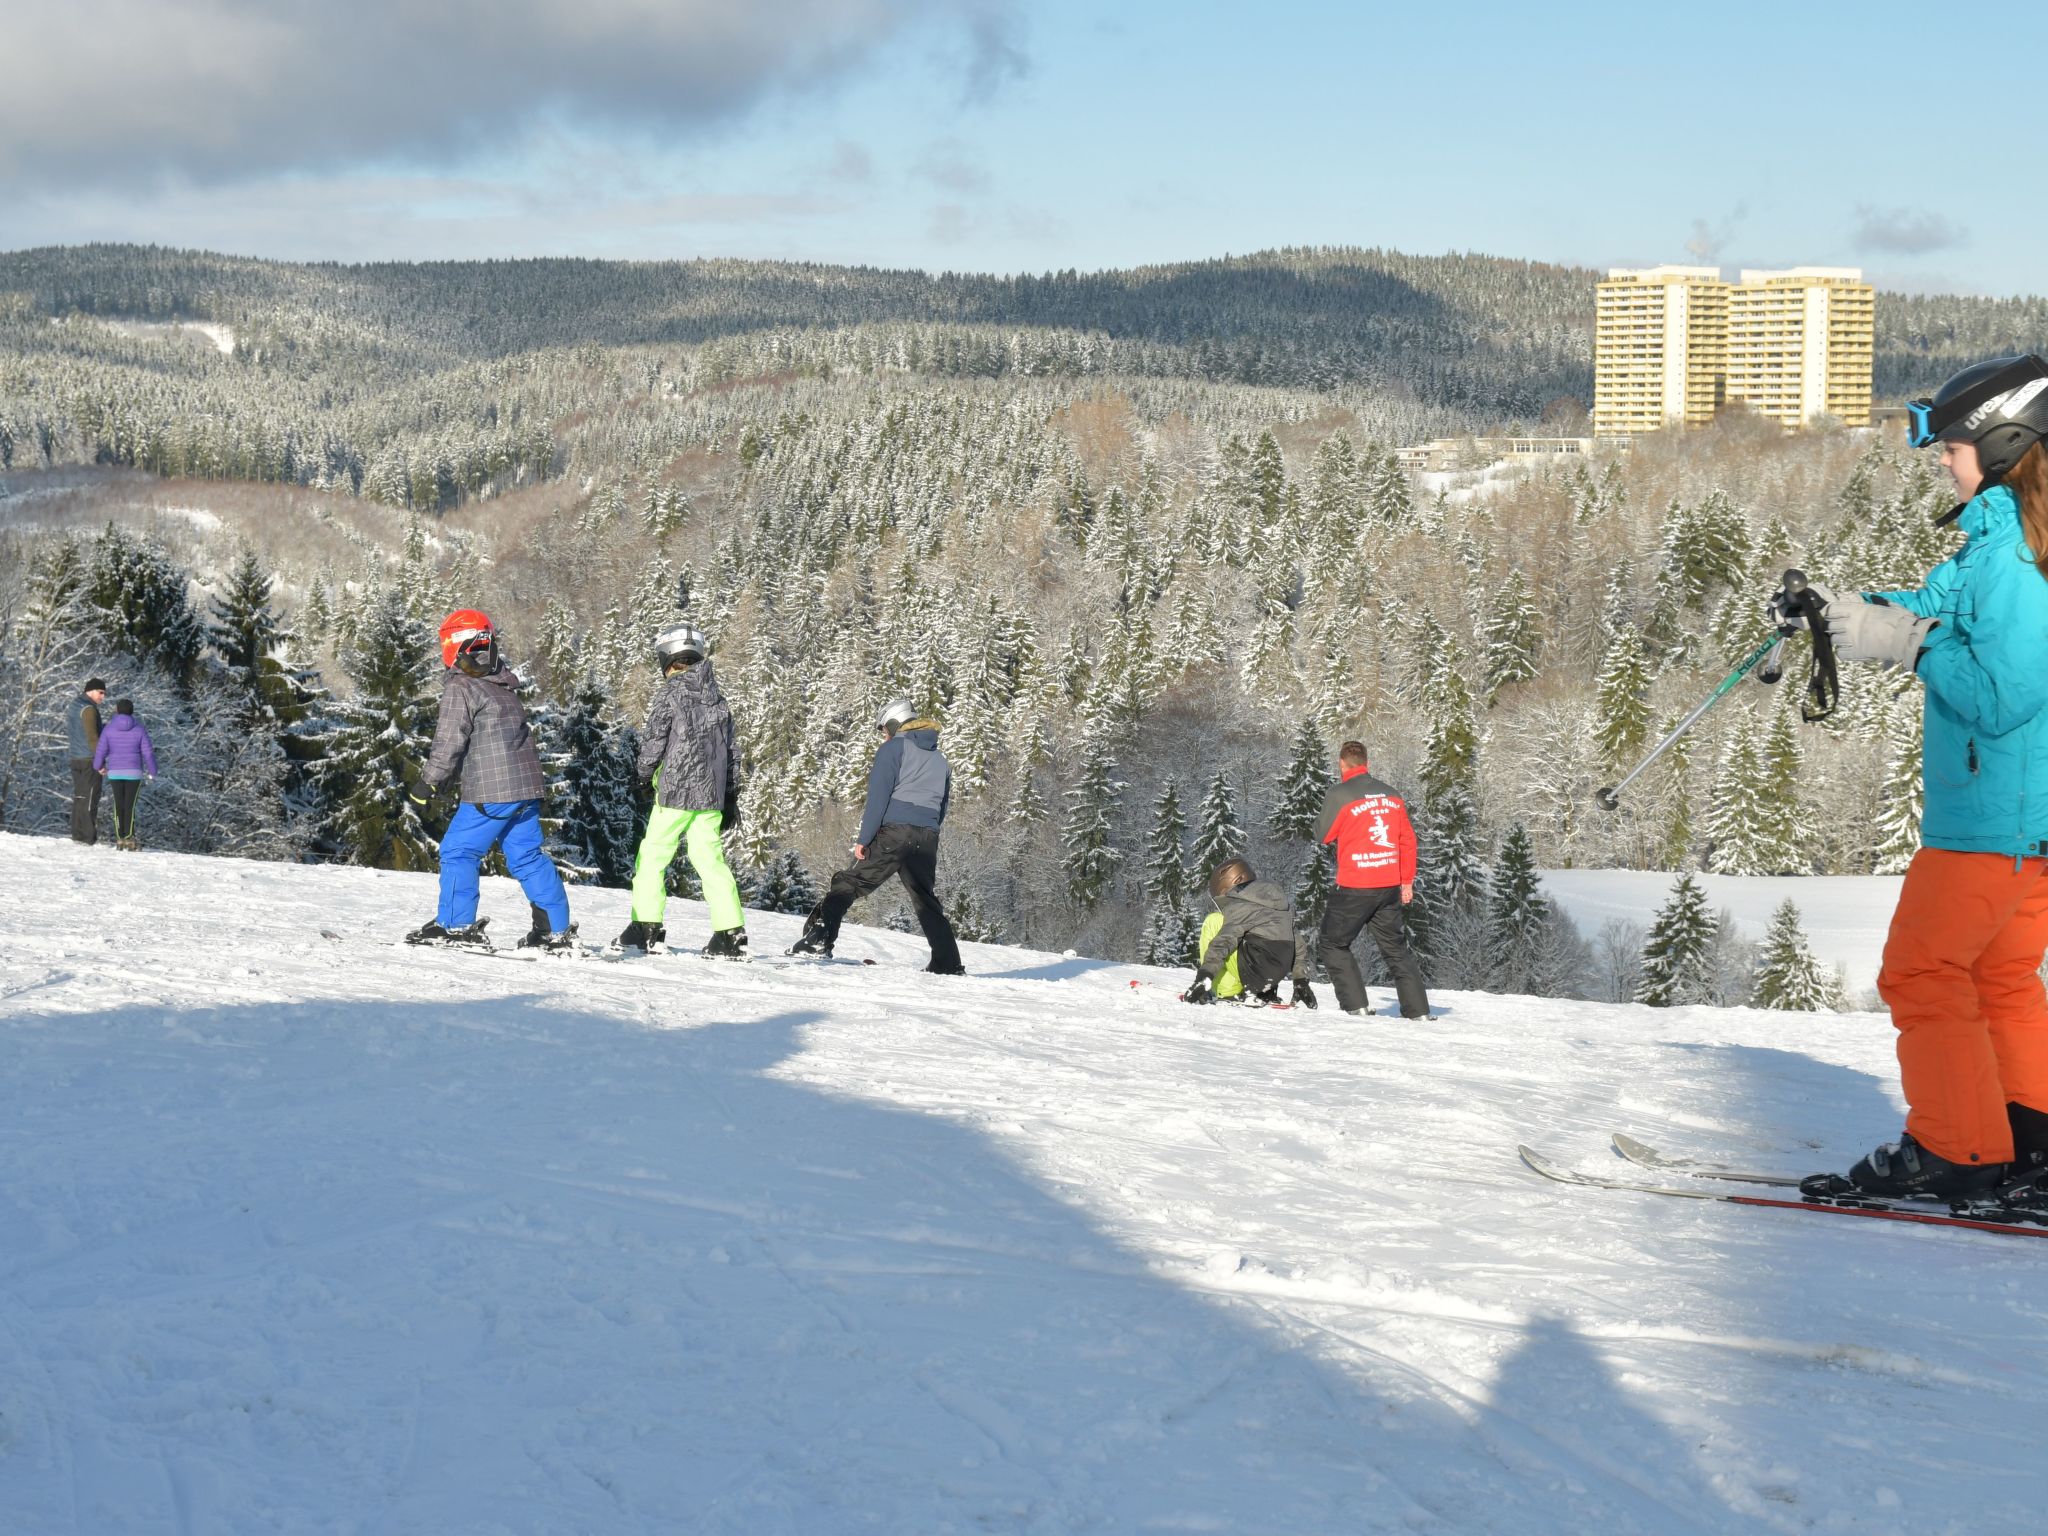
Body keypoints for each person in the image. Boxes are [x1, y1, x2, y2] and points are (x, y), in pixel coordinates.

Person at [1798, 354, 2048, 1201]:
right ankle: (2029, 1141)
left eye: (1953, 446)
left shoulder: (2013, 559)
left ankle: (1955, 1149)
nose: (1943, 460)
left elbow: (2002, 695)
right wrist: (1849, 611)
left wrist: (1903, 642)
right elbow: (1941, 611)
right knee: (1997, 979)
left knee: (1920, 972)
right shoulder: (2002, 543)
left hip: (1993, 818)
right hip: (2022, 822)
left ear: (2005, 443)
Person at [405, 610, 576, 952]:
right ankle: (553, 931)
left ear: (455, 643)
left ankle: (456, 927)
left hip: (493, 790)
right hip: (526, 788)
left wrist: (428, 783)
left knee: (458, 851)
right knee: (526, 857)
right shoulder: (501, 684)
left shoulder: (462, 686)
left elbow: (449, 742)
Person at [789, 697, 963, 973]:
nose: (883, 734)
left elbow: (878, 798)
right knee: (925, 898)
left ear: (895, 722)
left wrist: (865, 839)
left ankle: (818, 941)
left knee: (846, 883)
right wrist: (927, 830)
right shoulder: (940, 759)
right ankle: (948, 962)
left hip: (895, 832)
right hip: (928, 836)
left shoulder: (893, 748)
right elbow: (942, 806)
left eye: (884, 728)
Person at [615, 622, 749, 960]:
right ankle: (730, 932)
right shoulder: (718, 699)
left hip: (675, 793)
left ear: (667, 658)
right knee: (710, 860)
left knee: (653, 857)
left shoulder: (670, 693)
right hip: (710, 797)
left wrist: (641, 777)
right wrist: (729, 795)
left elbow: (654, 741)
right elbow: (732, 752)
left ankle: (645, 927)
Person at [1314, 740, 1430, 1020]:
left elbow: (1323, 835)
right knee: (1395, 949)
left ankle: (1356, 1006)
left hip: (1355, 885)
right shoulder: (1392, 795)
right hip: (1388, 886)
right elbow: (1407, 841)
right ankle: (1418, 1012)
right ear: (1366, 763)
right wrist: (1406, 881)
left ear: (1342, 764)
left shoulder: (1340, 794)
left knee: (1332, 943)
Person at [1181, 857, 1315, 1008]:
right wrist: (1301, 981)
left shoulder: (1240, 904)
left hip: (1254, 971)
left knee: (1214, 921)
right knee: (1253, 937)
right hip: (1275, 974)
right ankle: (1262, 992)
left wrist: (1204, 976)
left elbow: (1224, 941)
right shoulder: (1282, 904)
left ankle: (1223, 990)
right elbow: (1298, 945)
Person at [90, 698, 156, 851]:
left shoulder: (109, 729)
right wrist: (153, 771)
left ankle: (120, 838)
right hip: (134, 773)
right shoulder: (139, 729)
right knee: (130, 805)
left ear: (117, 710)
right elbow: (148, 753)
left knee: (118, 804)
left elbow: (101, 750)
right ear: (132, 711)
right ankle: (129, 837)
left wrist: (98, 766)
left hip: (115, 772)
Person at [66, 677, 108, 844]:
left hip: (75, 758)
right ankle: (88, 838)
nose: (103, 697)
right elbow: (92, 737)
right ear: (90, 691)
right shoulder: (89, 709)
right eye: (101, 692)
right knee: (90, 798)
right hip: (89, 759)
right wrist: (100, 762)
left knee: (80, 797)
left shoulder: (75, 705)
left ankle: (78, 834)